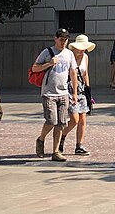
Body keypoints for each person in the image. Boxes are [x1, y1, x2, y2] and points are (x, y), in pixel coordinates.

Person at [32, 29, 78, 162]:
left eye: (66, 39)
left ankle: (56, 151)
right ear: (56, 39)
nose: (63, 42)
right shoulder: (47, 52)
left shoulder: (69, 54)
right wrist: (49, 63)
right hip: (49, 93)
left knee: (61, 123)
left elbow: (73, 73)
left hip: (64, 93)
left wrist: (74, 92)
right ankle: (41, 139)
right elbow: (35, 68)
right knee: (51, 121)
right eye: (61, 39)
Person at [63, 34, 95, 156]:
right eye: (80, 47)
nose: (82, 50)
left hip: (82, 89)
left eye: (84, 48)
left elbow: (85, 73)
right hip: (70, 88)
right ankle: (62, 135)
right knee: (74, 119)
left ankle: (79, 145)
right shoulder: (69, 57)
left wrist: (88, 91)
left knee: (83, 118)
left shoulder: (85, 57)